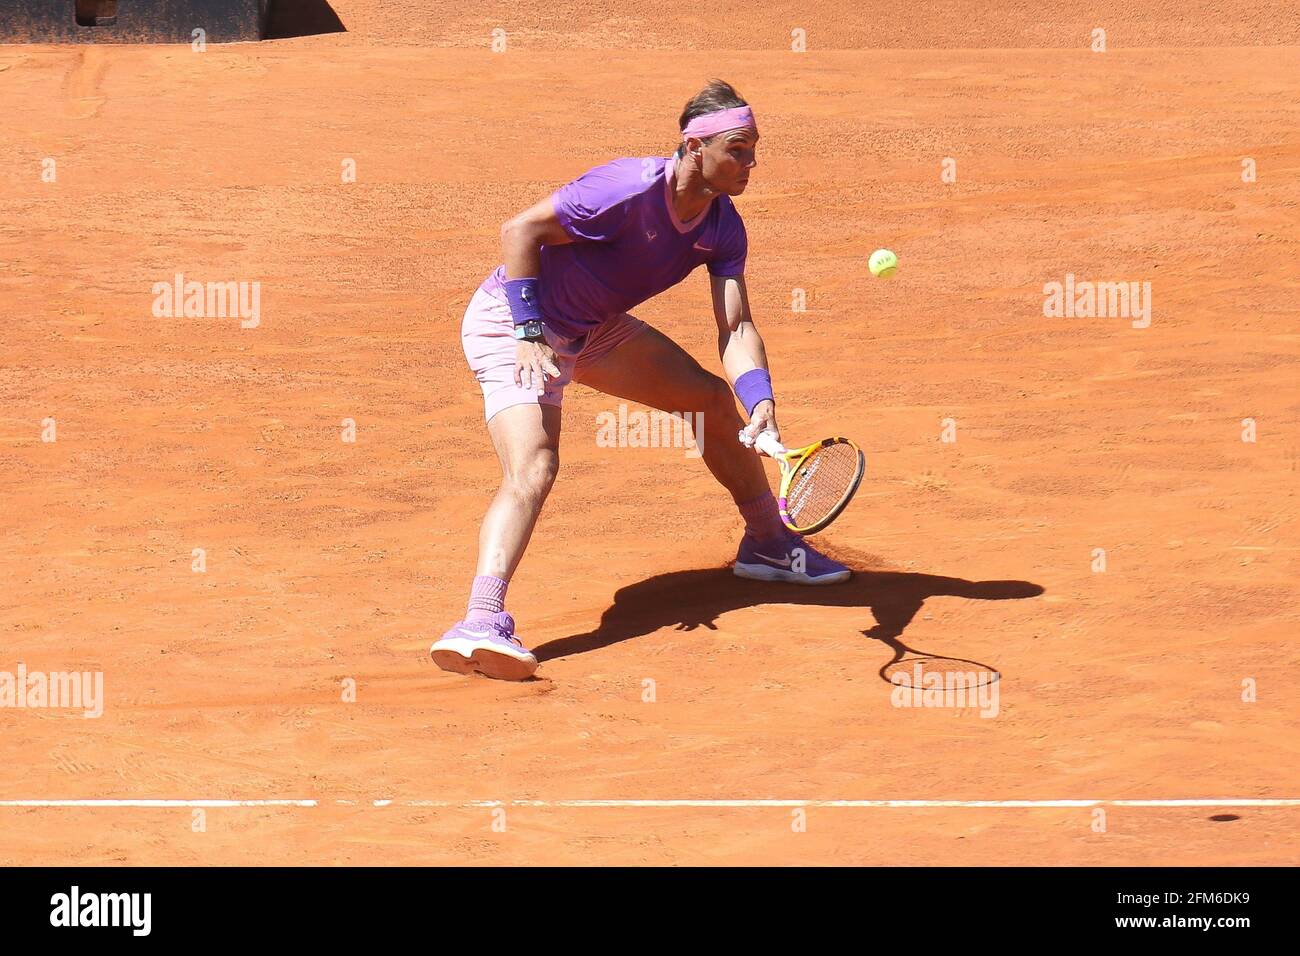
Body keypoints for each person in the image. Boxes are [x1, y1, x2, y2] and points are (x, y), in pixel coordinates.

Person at [431, 79, 850, 681]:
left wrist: (759, 400)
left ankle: (766, 542)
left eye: (755, 151)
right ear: (694, 146)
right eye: (738, 149)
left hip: (594, 329)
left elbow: (735, 327)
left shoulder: (723, 229)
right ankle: (479, 620)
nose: (750, 164)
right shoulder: (624, 188)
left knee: (708, 398)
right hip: (513, 323)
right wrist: (528, 333)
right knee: (534, 467)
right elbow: (520, 230)